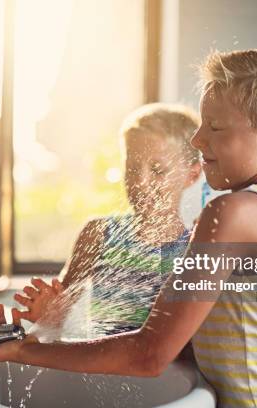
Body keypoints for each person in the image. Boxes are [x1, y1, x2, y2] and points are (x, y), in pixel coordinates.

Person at [0, 48, 257, 407]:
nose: (197, 139)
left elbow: (149, 355)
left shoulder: (229, 213)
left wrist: (24, 350)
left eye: (215, 127)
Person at [14, 103, 202, 337]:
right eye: (132, 167)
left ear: (192, 175)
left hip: (164, 373)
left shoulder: (195, 250)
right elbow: (56, 314)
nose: (140, 182)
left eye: (157, 169)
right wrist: (48, 314)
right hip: (99, 371)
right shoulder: (100, 234)